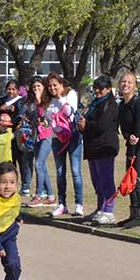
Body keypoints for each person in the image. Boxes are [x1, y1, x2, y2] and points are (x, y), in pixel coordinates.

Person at [77, 76, 120, 225]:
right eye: (95, 87)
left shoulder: (110, 104)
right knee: (97, 180)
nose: (97, 91)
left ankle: (109, 210)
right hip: (92, 146)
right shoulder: (95, 103)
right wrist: (82, 125)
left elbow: (103, 125)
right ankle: (100, 208)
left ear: (108, 89)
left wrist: (86, 124)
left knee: (106, 179)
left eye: (100, 88)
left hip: (105, 146)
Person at [118, 71, 140, 229]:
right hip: (130, 146)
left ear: (134, 86)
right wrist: (128, 137)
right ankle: (133, 214)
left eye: (129, 82)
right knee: (129, 180)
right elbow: (124, 127)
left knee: (138, 180)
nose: (125, 84)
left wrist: (135, 137)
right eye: (123, 82)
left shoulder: (138, 103)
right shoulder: (122, 104)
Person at [45, 73, 84, 217]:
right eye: (49, 86)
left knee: (75, 172)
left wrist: (60, 97)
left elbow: (70, 112)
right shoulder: (48, 101)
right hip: (57, 139)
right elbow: (48, 119)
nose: (52, 88)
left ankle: (79, 204)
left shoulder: (71, 94)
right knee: (60, 172)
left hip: (73, 137)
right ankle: (62, 204)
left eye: (55, 85)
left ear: (62, 84)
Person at [0, 80, 30, 193]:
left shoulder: (21, 101)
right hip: (2, 135)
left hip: (16, 134)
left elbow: (22, 116)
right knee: (8, 162)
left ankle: (25, 185)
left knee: (21, 160)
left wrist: (15, 111)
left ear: (17, 90)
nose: (11, 91)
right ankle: (7, 184)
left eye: (13, 89)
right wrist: (0, 109)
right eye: (9, 89)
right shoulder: (1, 100)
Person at [24, 77, 56, 208]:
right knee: (42, 166)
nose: (36, 89)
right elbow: (30, 115)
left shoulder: (49, 101)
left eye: (39, 86)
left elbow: (45, 115)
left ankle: (38, 195)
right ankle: (51, 196)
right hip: (36, 135)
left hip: (48, 135)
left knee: (38, 163)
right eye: (34, 87)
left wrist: (38, 100)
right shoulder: (30, 102)